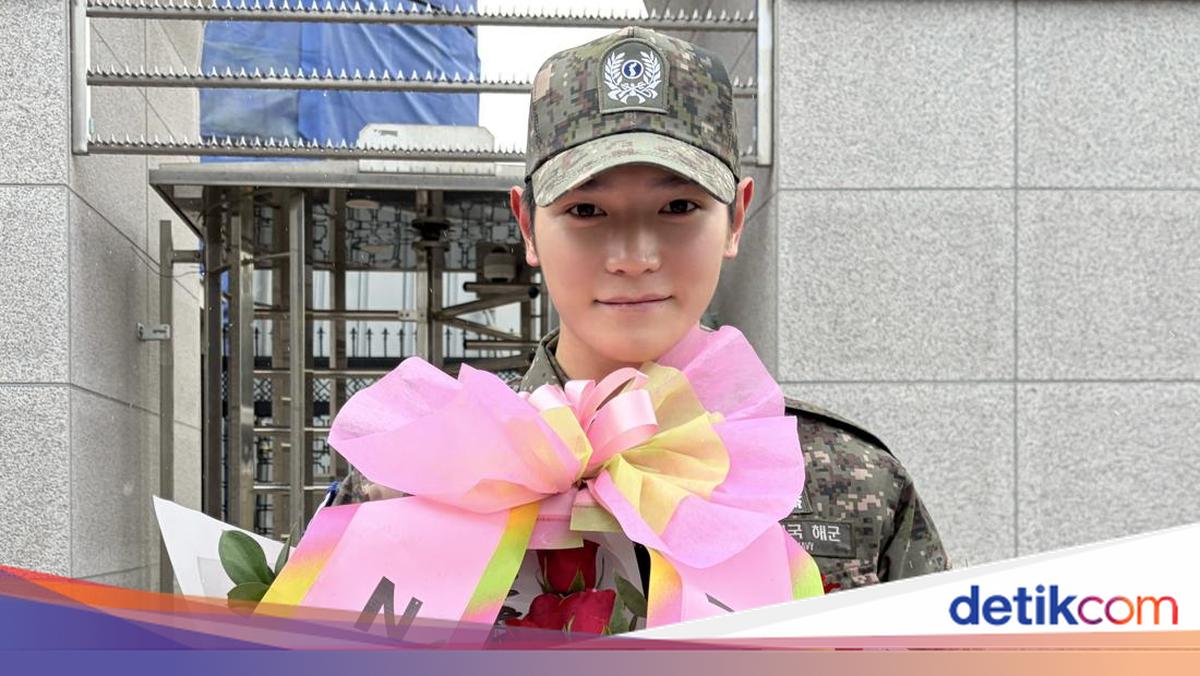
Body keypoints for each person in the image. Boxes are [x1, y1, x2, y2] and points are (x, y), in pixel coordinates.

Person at [333, 26, 948, 599]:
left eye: (678, 207)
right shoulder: (417, 470)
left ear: (736, 217)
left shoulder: (854, 477)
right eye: (586, 211)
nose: (633, 257)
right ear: (527, 225)